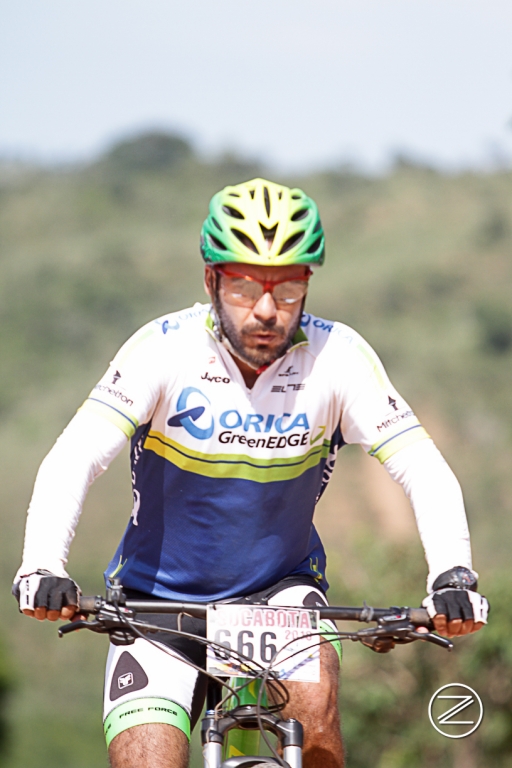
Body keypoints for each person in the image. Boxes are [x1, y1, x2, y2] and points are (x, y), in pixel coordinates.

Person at [13, 178, 489, 768]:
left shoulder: (337, 357)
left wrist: (452, 575)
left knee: (315, 710)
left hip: (279, 591)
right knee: (146, 758)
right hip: (155, 603)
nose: (266, 309)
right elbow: (75, 456)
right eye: (243, 285)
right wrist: (42, 565)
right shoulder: (163, 349)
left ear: (307, 284)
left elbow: (423, 466)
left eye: (287, 288)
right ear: (210, 280)